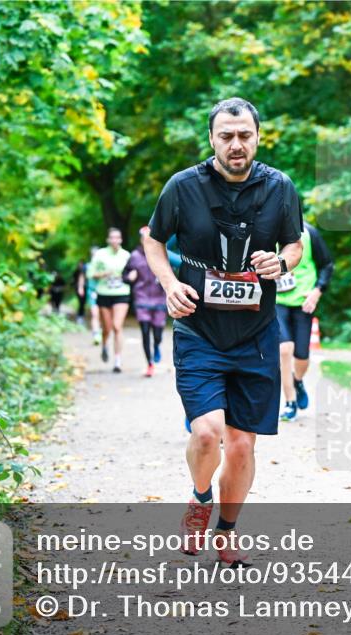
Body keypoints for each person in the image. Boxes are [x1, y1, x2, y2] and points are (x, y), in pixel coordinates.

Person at [143, 98, 303, 567]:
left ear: (258, 136)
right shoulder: (183, 187)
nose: (236, 144)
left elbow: (294, 243)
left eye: (245, 135)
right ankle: (199, 498)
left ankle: (228, 531)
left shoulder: (280, 187)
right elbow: (153, 238)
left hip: (255, 335)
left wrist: (281, 261)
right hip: (199, 330)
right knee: (208, 433)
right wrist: (170, 284)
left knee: (240, 443)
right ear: (212, 138)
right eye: (226, 136)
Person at [275, 221, 334, 421]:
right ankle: (290, 401)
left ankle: (297, 380)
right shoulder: (264, 231)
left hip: (303, 301)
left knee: (302, 355)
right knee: (284, 349)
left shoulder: (309, 233)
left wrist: (317, 292)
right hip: (276, 302)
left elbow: (327, 264)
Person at [124, 226, 168, 377]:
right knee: (144, 331)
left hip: (159, 298)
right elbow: (125, 274)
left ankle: (156, 345)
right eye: (144, 238)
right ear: (141, 240)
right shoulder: (135, 256)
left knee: (157, 334)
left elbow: (172, 273)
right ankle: (149, 363)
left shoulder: (162, 254)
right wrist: (129, 276)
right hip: (141, 298)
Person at [90, 229, 131, 373]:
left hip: (121, 292)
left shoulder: (127, 255)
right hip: (104, 293)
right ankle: (104, 345)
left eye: (117, 237)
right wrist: (103, 274)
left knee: (117, 326)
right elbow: (90, 273)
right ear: (108, 239)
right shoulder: (100, 254)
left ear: (121, 239)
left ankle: (117, 361)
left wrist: (131, 276)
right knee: (107, 328)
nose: (115, 240)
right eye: (112, 237)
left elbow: (133, 271)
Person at [85, 247, 101, 346]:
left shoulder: (104, 265)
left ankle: (101, 331)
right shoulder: (88, 266)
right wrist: (80, 287)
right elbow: (85, 277)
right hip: (92, 291)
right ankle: (96, 334)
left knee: (103, 315)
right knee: (95, 314)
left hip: (104, 293)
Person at [72, 261, 87, 326]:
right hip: (78, 288)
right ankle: (80, 316)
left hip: (86, 288)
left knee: (83, 303)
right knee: (81, 302)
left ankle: (81, 316)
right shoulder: (76, 272)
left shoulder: (86, 270)